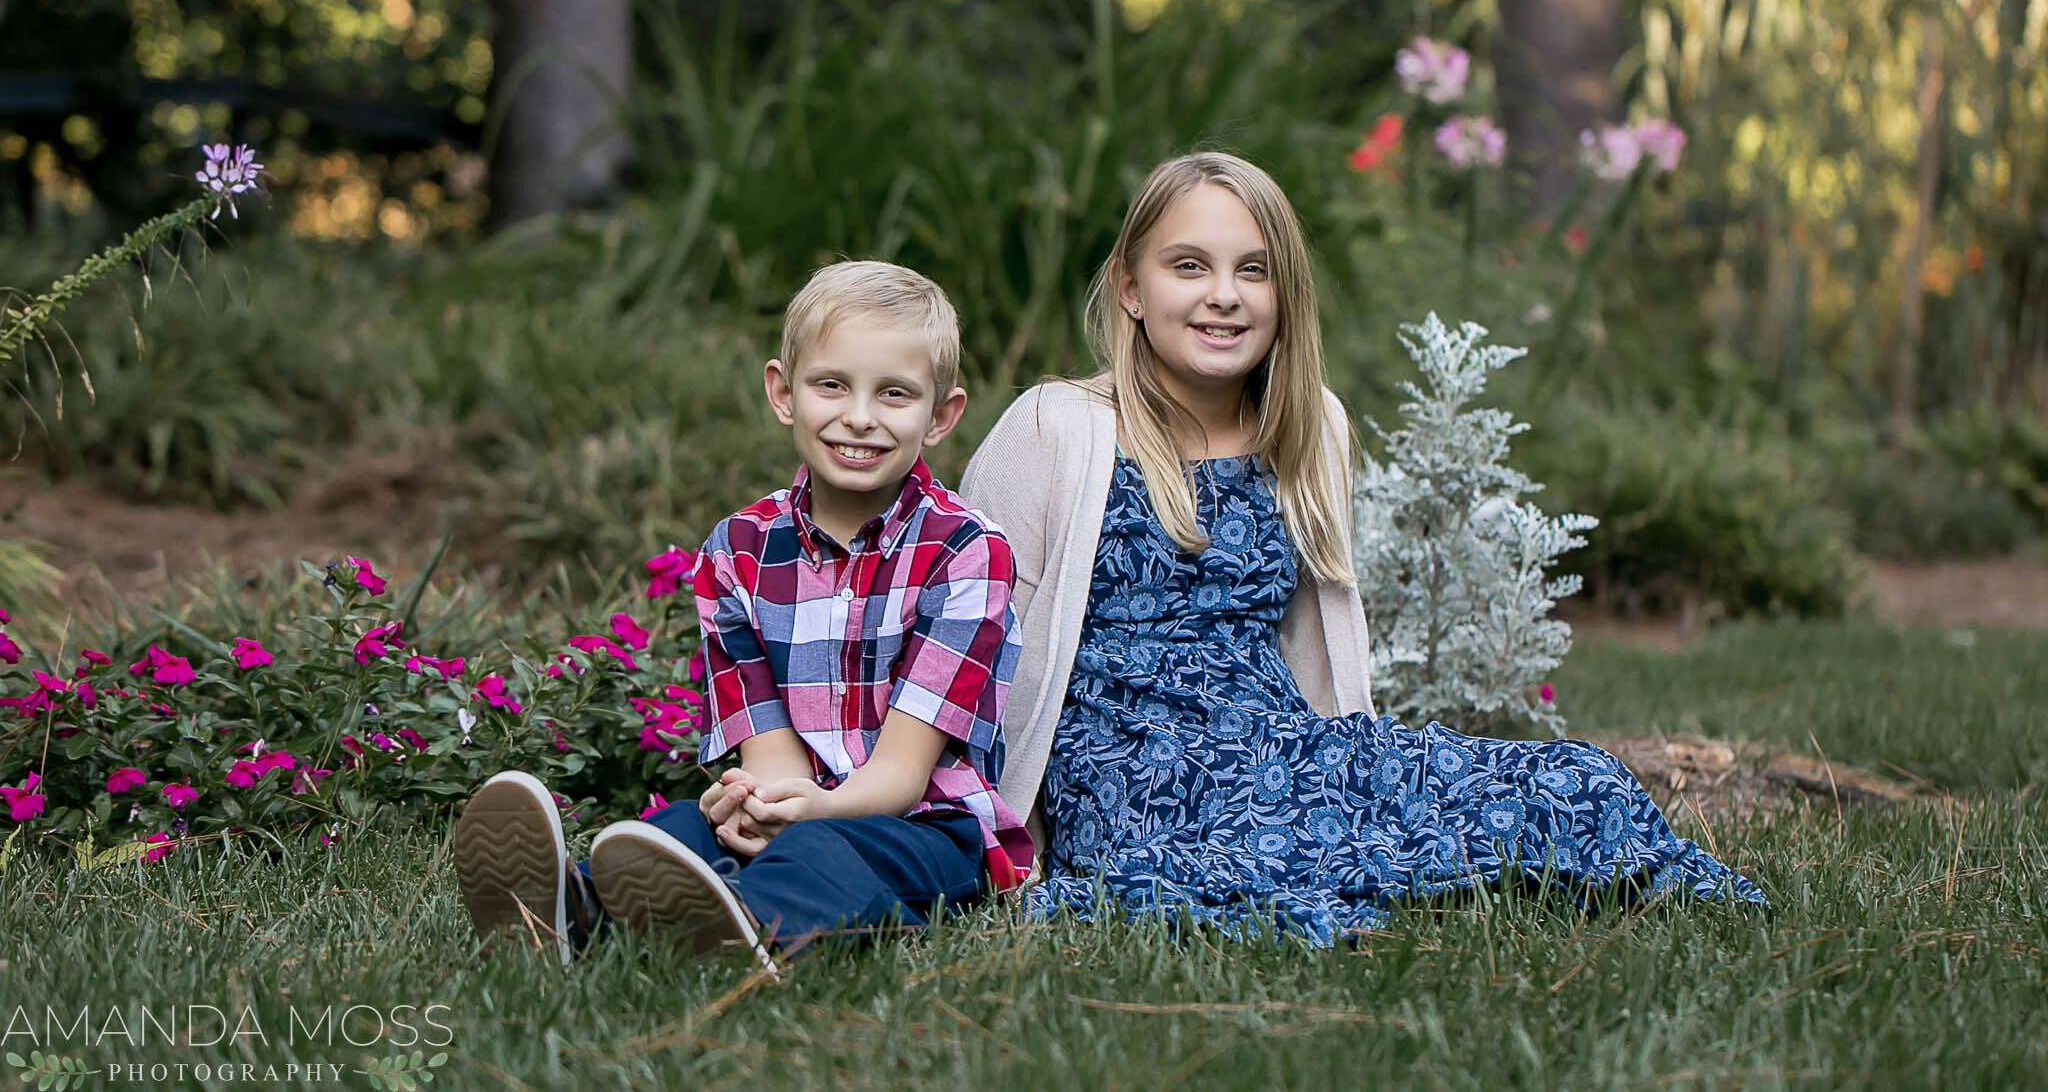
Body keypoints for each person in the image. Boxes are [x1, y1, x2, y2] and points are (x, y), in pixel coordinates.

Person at [958, 151, 1764, 944]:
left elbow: (1319, 640)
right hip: (1131, 769)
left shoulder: (1310, 428)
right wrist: (989, 823)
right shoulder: (1055, 426)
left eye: (1254, 271)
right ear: (1131, 288)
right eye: (1189, 266)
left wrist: (1356, 760)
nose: (1223, 296)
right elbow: (968, 622)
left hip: (1279, 743)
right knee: (1236, 860)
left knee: (1572, 780)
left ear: (1285, 296)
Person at [453, 260, 1033, 969]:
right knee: (676, 832)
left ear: (940, 416)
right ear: (782, 393)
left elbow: (903, 775)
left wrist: (813, 814)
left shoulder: (966, 551)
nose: (859, 416)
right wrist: (761, 805)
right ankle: (562, 915)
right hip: (805, 811)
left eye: (894, 394)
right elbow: (771, 755)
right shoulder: (739, 551)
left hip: (928, 832)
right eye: (831, 385)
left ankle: (742, 930)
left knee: (823, 854)